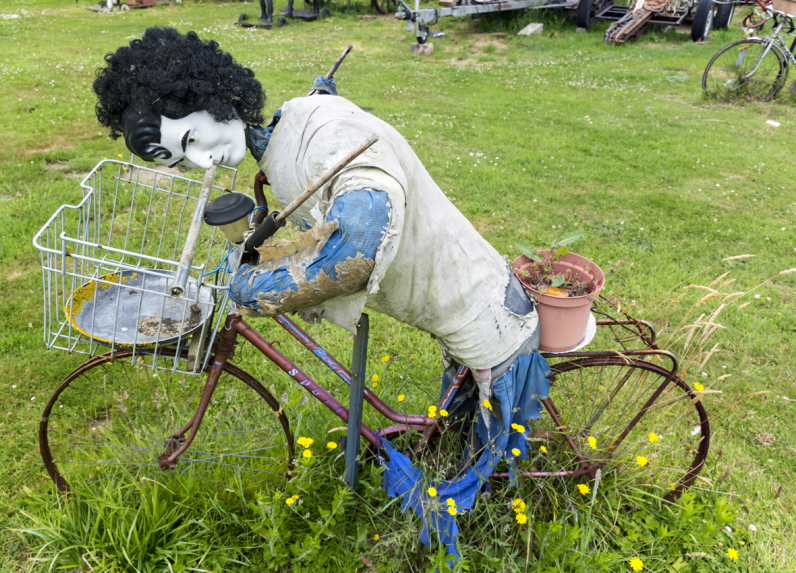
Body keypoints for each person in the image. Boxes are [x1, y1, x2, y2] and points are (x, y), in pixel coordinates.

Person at [92, 26, 551, 563]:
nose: (202, 162)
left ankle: (489, 522)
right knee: (452, 419)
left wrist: (259, 288)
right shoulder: (292, 123)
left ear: (213, 99)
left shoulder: (328, 143)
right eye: (180, 159)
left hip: (485, 318)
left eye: (191, 140)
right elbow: (317, 119)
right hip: (449, 304)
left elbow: (357, 250)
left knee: (489, 462)